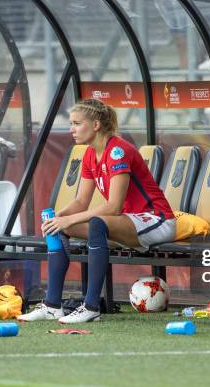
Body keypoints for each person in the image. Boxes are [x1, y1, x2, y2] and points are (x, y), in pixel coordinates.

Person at [18, 99, 176, 324]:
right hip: (126, 224)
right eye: (71, 123)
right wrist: (59, 218)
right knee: (60, 228)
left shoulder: (117, 152)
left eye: (76, 123)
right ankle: (52, 305)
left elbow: (113, 206)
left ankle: (91, 307)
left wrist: (69, 219)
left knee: (97, 223)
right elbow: (81, 201)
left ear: (96, 125)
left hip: (156, 220)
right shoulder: (90, 154)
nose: (71, 129)